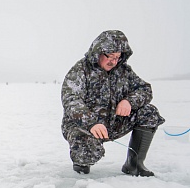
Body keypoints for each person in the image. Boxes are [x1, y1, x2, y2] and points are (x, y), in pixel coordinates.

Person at [61, 30, 165, 176]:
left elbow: (145, 89)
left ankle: (134, 164)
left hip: (113, 123)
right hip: (84, 126)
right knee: (86, 150)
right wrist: (91, 123)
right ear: (98, 52)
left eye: (117, 57)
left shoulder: (123, 71)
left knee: (149, 112)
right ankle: (81, 166)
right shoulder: (80, 70)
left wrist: (129, 101)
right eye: (110, 56)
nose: (113, 61)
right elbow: (71, 100)